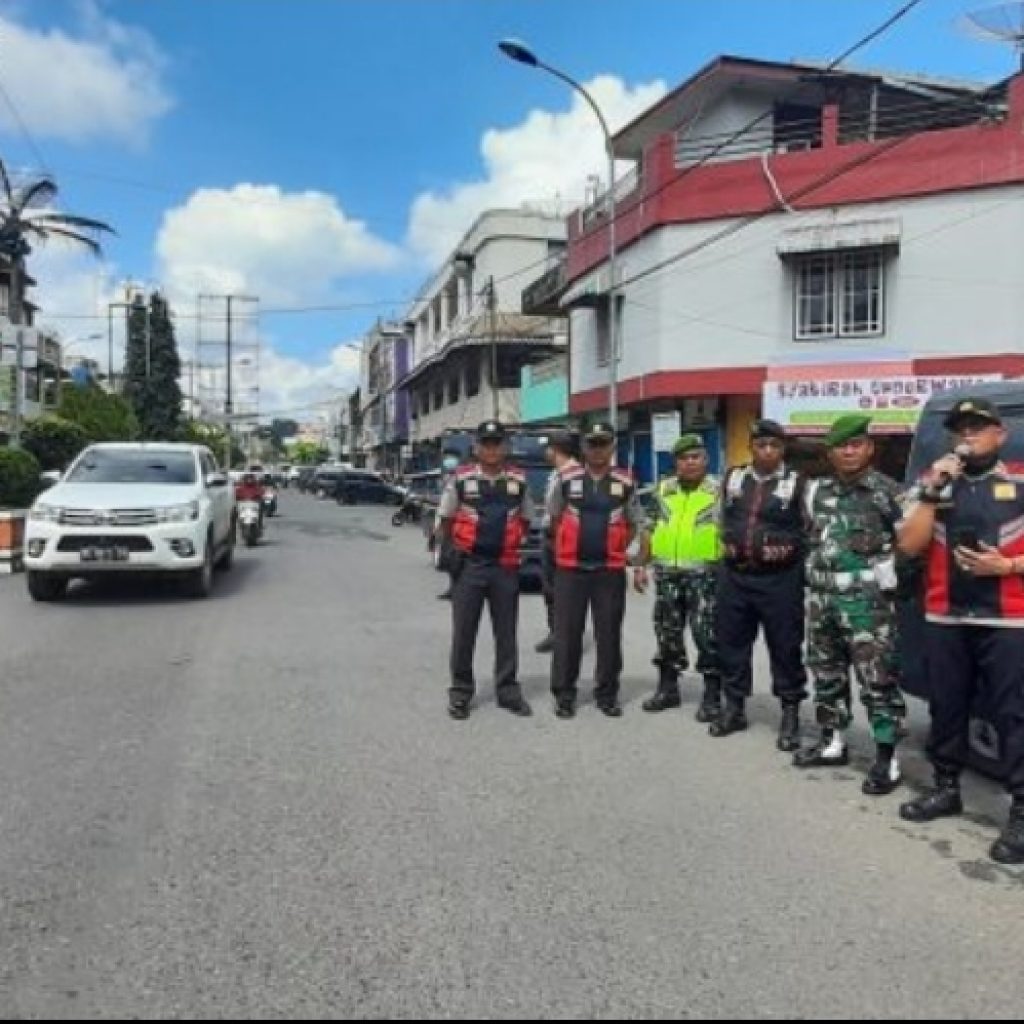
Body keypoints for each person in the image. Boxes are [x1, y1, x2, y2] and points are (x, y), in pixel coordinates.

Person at [897, 397, 1024, 864]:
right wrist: (933, 490)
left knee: (1013, 715)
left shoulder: (1019, 482)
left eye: (978, 427)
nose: (968, 435)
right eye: (961, 429)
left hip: (1006, 619)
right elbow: (910, 545)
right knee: (947, 707)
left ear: (1000, 435)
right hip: (945, 616)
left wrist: (1007, 565)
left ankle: (1021, 811)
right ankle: (946, 788)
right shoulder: (933, 482)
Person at [792, 414, 907, 795]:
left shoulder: (888, 492)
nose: (849, 451)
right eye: (841, 446)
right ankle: (833, 742)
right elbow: (808, 537)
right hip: (822, 598)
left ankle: (887, 758)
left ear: (869, 448)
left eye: (856, 444)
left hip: (867, 603)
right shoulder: (816, 491)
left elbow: (912, 544)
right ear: (830, 453)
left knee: (877, 679)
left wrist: (896, 588)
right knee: (826, 672)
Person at [714, 419, 807, 749]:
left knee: (785, 646)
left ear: (783, 449)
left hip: (780, 581)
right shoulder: (733, 477)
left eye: (774, 446)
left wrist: (791, 550)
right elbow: (721, 519)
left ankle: (790, 714)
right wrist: (726, 544)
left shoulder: (798, 483)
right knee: (731, 644)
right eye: (761, 445)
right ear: (751, 447)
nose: (767, 451)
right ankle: (734, 708)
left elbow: (810, 529)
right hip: (735, 577)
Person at [547, 421, 648, 718]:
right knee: (567, 636)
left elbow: (633, 522)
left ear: (613, 446)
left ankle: (607, 694)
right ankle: (564, 695)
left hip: (609, 570)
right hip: (571, 570)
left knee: (609, 635)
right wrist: (571, 544)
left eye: (604, 443)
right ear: (583, 447)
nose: (598, 449)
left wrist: (615, 547)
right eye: (592, 443)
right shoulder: (565, 479)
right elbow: (554, 518)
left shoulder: (625, 482)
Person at [436, 421, 534, 720]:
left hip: (504, 566)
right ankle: (460, 692)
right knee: (464, 633)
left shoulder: (518, 480)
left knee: (506, 633)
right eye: (486, 443)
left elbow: (526, 518)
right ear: (476, 448)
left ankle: (508, 690)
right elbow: (445, 520)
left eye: (497, 443)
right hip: (471, 566)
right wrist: (452, 555)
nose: (492, 449)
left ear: (505, 447)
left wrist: (512, 543)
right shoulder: (461, 479)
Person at [641, 433, 723, 720]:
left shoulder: (719, 491)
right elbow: (649, 526)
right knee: (667, 633)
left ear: (706, 459)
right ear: (675, 462)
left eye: (695, 457)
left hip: (705, 575)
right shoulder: (663, 489)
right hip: (667, 574)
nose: (690, 463)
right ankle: (668, 689)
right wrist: (640, 565)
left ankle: (712, 696)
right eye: (684, 458)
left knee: (707, 635)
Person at [535, 429, 579, 654]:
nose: (545, 452)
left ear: (555, 449)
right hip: (552, 537)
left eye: (548, 448)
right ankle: (557, 632)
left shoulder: (571, 474)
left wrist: (555, 539)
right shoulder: (557, 473)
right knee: (551, 588)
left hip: (561, 539)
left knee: (561, 589)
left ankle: (564, 636)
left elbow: (559, 514)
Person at [436, 452, 461, 601]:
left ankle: (456, 589)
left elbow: (449, 506)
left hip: (455, 524)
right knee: (449, 559)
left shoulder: (458, 480)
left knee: (454, 559)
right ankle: (453, 588)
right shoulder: (447, 479)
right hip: (448, 521)